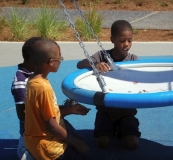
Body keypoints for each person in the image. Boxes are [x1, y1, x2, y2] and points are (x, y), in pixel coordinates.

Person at [77, 20, 141, 150]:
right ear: (112, 39)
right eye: (122, 40)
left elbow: (140, 78)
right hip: (106, 110)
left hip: (126, 110)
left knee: (132, 144)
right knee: (103, 143)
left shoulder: (133, 59)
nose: (126, 44)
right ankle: (110, 128)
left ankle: (122, 128)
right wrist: (95, 64)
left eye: (130, 40)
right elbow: (80, 64)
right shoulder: (102, 56)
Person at [24, 38, 90, 160]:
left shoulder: (32, 81)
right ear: (50, 62)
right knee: (84, 152)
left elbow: (43, 114)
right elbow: (52, 126)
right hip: (49, 148)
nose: (60, 60)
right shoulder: (44, 88)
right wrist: (76, 143)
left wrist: (70, 110)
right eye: (59, 58)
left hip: (34, 141)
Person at [11, 37, 43, 158]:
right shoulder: (22, 82)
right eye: (48, 58)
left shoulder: (36, 75)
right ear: (35, 58)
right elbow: (23, 115)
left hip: (40, 129)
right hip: (32, 136)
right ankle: (26, 151)